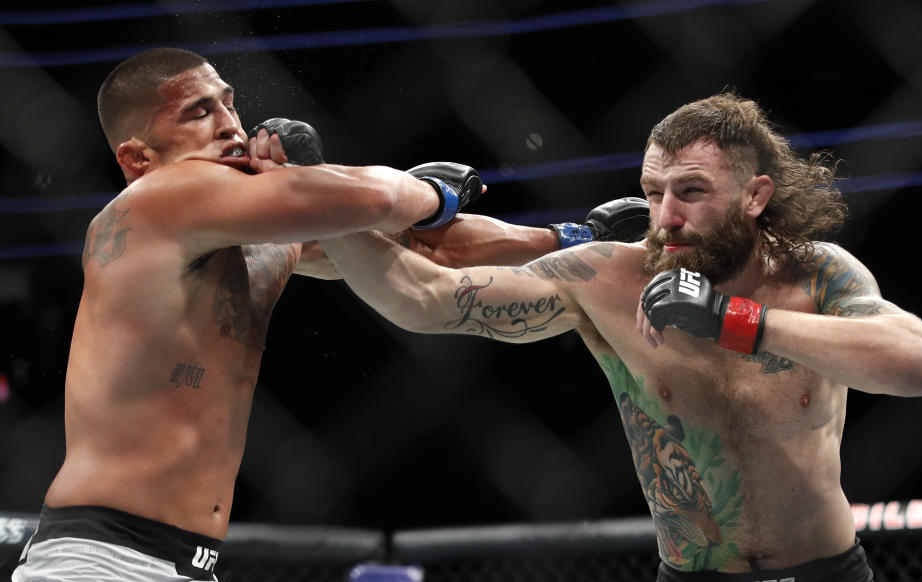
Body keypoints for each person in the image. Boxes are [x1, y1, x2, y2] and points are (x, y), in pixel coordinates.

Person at [11, 46, 605, 582]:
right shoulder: (155, 201)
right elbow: (377, 199)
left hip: (184, 564)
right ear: (138, 157)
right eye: (198, 113)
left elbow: (420, 244)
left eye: (229, 104)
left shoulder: (253, 238)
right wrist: (431, 194)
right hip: (100, 560)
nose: (229, 126)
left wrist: (566, 238)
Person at [317, 93, 922, 581]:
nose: (666, 215)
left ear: (755, 196)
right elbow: (421, 298)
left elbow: (918, 364)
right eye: (653, 192)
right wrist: (321, 193)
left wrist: (734, 320)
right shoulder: (610, 277)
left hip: (825, 572)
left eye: (692, 192)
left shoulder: (816, 272)